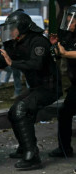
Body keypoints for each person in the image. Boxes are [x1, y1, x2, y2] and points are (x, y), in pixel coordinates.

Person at [0, 9, 62, 169]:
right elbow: (2, 62)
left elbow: (36, 64)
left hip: (50, 87)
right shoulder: (15, 43)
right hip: (36, 88)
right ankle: (24, 147)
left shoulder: (38, 42)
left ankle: (32, 155)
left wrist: (12, 63)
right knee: (13, 112)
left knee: (21, 109)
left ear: (21, 28)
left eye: (12, 28)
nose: (9, 31)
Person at [48, 4, 76, 158]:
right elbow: (60, 51)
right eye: (68, 19)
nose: (69, 23)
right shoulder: (68, 35)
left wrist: (66, 53)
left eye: (72, 20)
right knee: (64, 112)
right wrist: (55, 47)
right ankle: (64, 149)